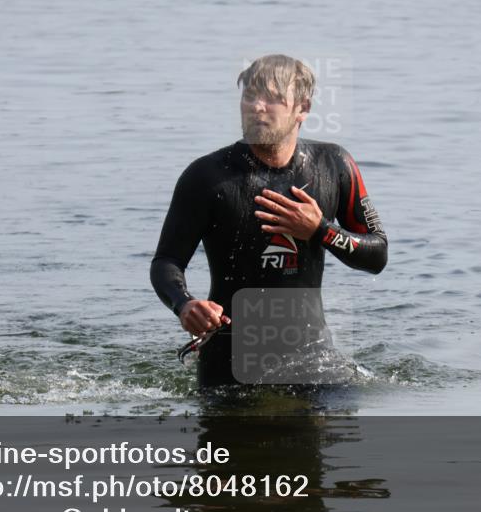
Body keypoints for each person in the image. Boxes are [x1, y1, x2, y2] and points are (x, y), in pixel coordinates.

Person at [150, 54, 387, 387]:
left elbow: (377, 255)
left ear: (302, 108)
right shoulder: (206, 177)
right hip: (229, 363)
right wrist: (184, 304)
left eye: (272, 98)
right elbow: (166, 262)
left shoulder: (334, 165)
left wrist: (321, 231)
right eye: (250, 95)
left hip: (313, 358)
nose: (257, 107)